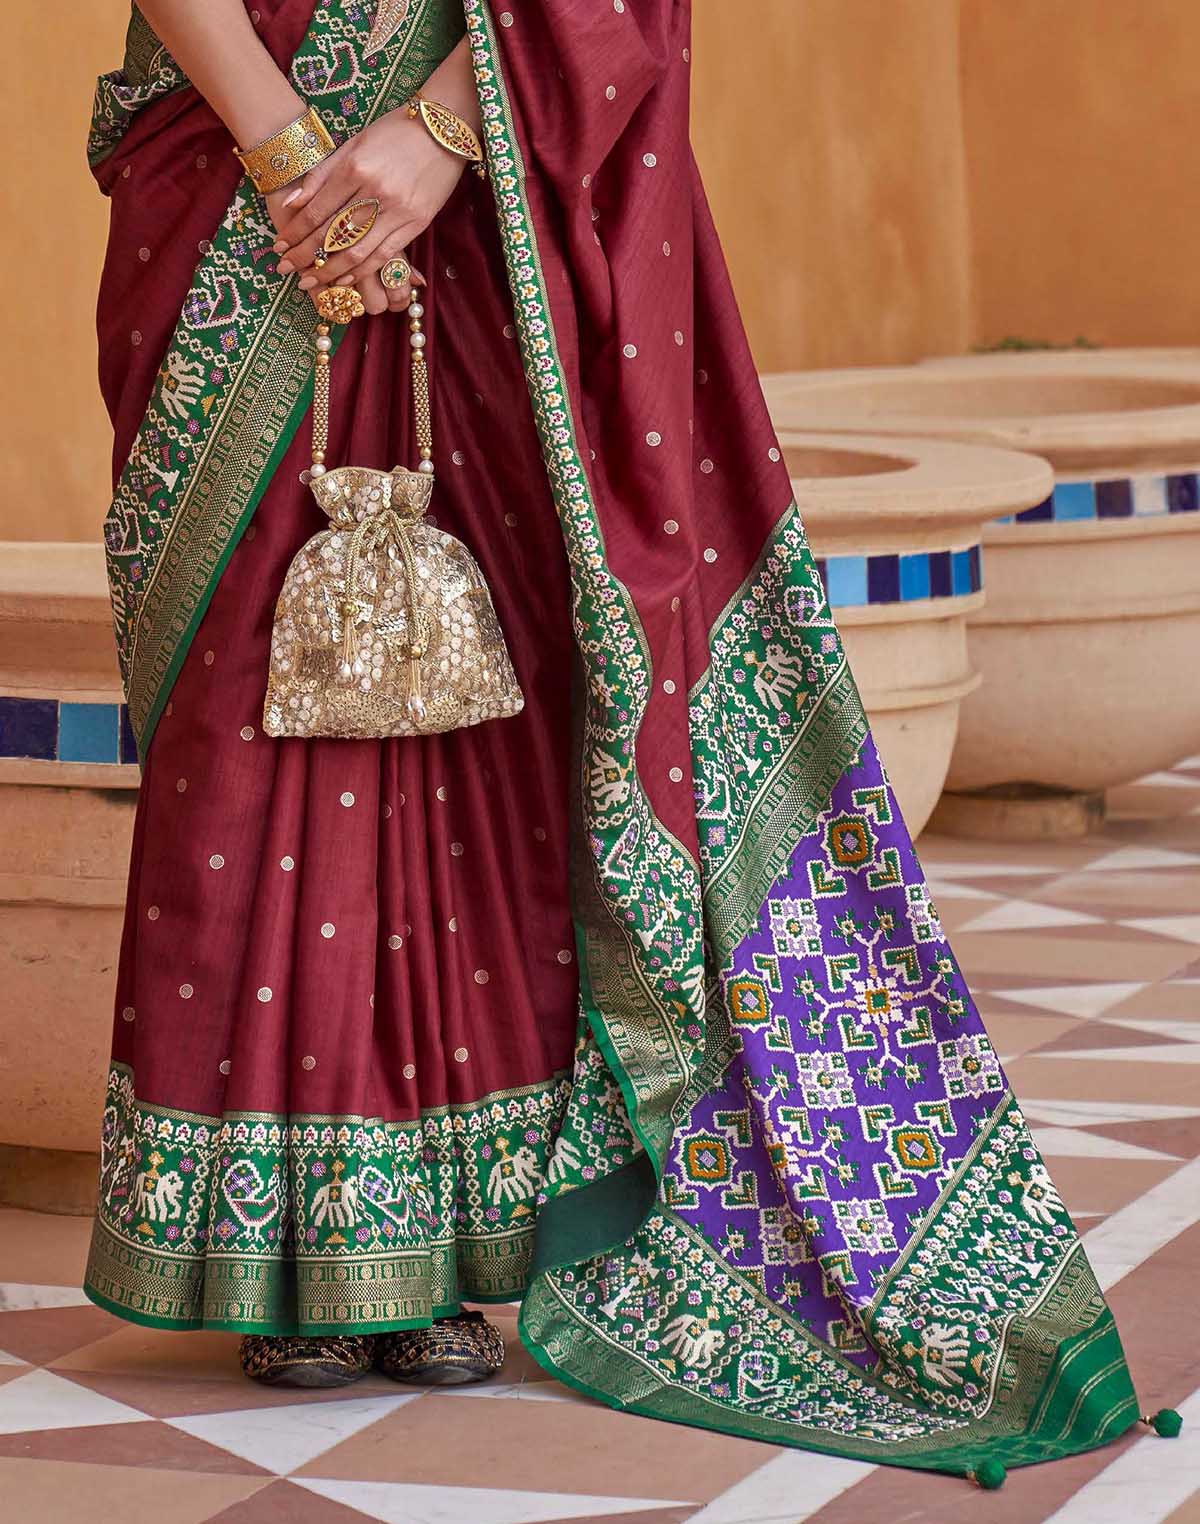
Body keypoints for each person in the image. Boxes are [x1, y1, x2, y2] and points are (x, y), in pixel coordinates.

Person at [83, 0, 1178, 1483]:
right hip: (234, 184)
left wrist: (439, 138)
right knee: (257, 701)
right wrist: (293, 161)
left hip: (496, 201)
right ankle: (274, 1245)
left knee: (488, 718)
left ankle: (453, 1234)